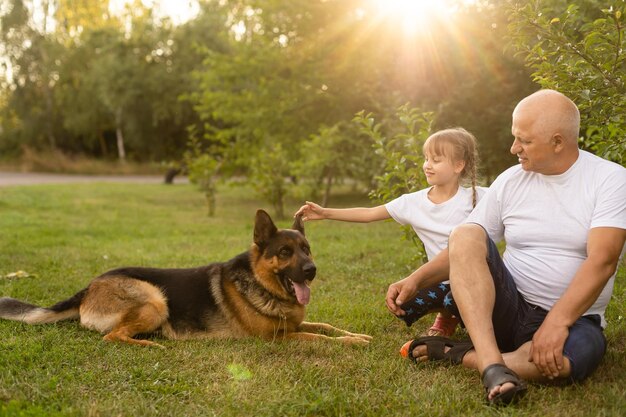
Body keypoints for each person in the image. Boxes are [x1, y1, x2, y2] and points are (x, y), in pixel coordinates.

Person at [386, 89, 626, 406]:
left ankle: (455, 353)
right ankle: (494, 365)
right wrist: (416, 279)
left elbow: (603, 261)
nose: (514, 148)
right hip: (506, 307)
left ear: (558, 142)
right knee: (466, 232)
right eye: (515, 137)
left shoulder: (610, 180)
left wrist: (556, 324)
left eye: (524, 141)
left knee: (564, 365)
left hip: (575, 318)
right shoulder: (512, 180)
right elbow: (466, 246)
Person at [296, 127, 486, 337]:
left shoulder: (479, 198)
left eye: (436, 160)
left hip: (476, 279)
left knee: (455, 299)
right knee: (401, 302)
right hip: (437, 279)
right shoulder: (413, 202)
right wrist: (326, 213)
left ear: (459, 165)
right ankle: (447, 313)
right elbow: (369, 213)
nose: (427, 165)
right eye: (426, 158)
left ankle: (464, 317)